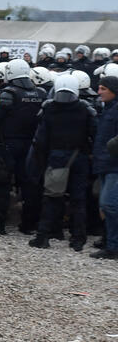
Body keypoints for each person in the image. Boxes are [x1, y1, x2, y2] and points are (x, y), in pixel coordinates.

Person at [28, 74, 96, 251]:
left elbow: (40, 139)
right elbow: (94, 134)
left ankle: (43, 236)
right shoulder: (85, 109)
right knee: (78, 199)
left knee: (51, 196)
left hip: (56, 156)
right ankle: (78, 239)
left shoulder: (48, 108)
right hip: (79, 156)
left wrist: (41, 162)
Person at [0, 59, 46, 234]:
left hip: (8, 144)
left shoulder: (8, 93)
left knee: (2, 183)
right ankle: (28, 225)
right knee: (29, 184)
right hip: (31, 144)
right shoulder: (41, 93)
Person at [91, 76, 118, 259]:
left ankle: (113, 246)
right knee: (105, 205)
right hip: (104, 164)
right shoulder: (108, 109)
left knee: (109, 205)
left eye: (103, 89)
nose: (99, 92)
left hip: (114, 166)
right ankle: (109, 240)